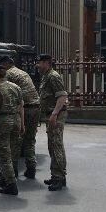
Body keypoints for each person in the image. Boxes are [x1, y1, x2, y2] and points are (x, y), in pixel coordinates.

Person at [0, 56, 40, 179]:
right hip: (35, 107)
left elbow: (5, 92)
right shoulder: (22, 72)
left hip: (24, 108)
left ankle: (13, 170)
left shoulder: (8, 74)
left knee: (16, 140)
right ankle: (31, 168)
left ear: (6, 64)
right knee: (30, 139)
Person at [0, 65, 25, 195]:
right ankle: (4, 179)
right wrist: (22, 124)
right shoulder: (16, 87)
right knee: (13, 152)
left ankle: (11, 184)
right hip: (16, 120)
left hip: (2, 122)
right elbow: (21, 107)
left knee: (3, 154)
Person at [36, 54, 69, 191]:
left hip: (56, 115)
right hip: (50, 115)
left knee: (56, 146)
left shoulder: (53, 76)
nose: (37, 65)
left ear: (46, 63)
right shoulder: (46, 76)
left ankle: (59, 178)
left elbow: (62, 97)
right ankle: (56, 176)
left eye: (39, 63)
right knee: (52, 146)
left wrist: (55, 114)